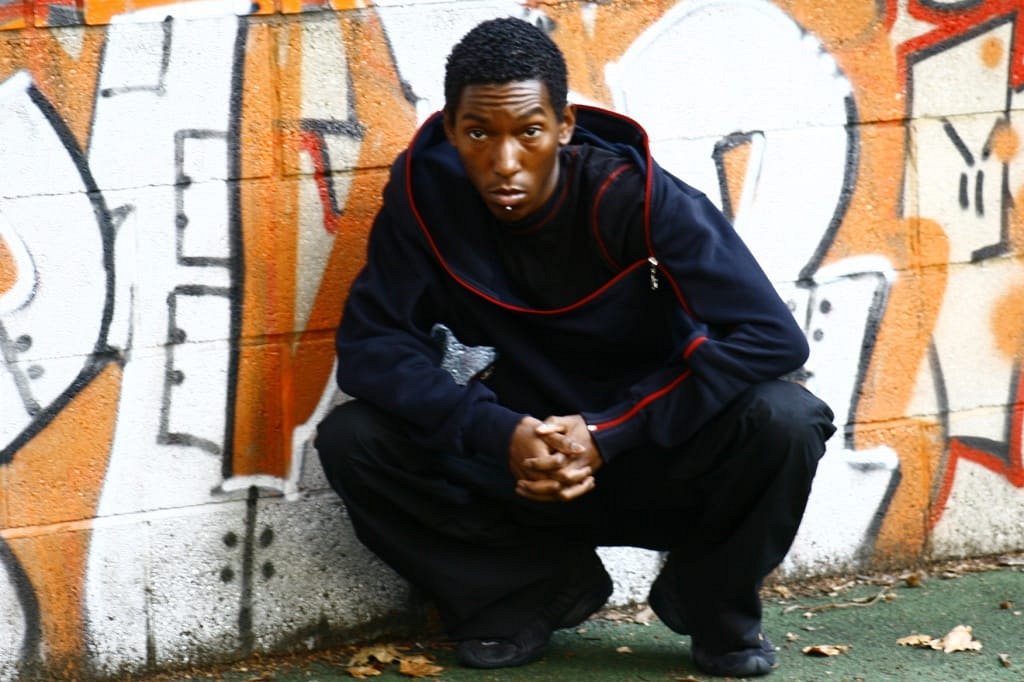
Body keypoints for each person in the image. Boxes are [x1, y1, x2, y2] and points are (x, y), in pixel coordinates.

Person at [315, 16, 835, 678]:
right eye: (479, 134)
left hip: (650, 454)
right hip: (515, 467)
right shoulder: (425, 198)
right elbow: (373, 347)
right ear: (451, 129)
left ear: (564, 125)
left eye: (529, 132)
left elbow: (771, 338)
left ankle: (710, 601)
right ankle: (529, 592)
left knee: (787, 419)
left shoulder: (638, 198)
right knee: (355, 439)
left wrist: (608, 431)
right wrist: (497, 432)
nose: (505, 162)